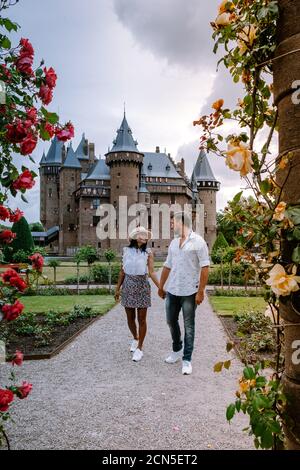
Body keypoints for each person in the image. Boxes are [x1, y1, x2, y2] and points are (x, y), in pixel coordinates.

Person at [158, 212, 210, 375]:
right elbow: (167, 265)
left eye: (173, 222)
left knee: (189, 326)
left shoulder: (198, 242)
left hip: (190, 291)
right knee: (170, 321)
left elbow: (205, 267)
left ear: (182, 223)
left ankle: (187, 360)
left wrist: (201, 292)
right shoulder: (173, 243)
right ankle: (177, 349)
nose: (172, 225)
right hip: (173, 290)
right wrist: (161, 286)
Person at [115, 226, 160, 362]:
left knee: (141, 319)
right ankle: (135, 337)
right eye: (142, 234)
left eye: (146, 234)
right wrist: (117, 289)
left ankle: (140, 348)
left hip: (142, 285)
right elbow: (122, 271)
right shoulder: (126, 251)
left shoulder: (148, 252)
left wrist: (160, 288)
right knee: (130, 317)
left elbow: (151, 272)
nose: (145, 236)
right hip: (128, 284)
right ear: (135, 237)